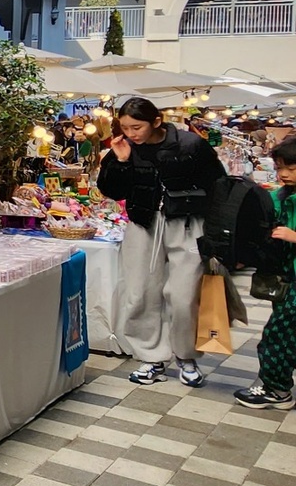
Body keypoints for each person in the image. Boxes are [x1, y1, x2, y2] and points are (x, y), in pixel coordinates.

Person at [97, 96, 225, 387]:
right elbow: (111, 191)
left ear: (156, 121)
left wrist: (217, 232)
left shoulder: (191, 145)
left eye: (137, 126)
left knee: (185, 295)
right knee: (140, 292)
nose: (131, 133)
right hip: (143, 223)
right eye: (125, 127)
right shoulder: (124, 147)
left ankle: (186, 355)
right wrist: (120, 161)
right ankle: (151, 356)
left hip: (188, 224)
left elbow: (218, 185)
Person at [233, 136, 296, 410]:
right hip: (284, 277)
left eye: (292, 168)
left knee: (277, 334)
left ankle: (276, 389)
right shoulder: (279, 197)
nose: (283, 174)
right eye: (280, 166)